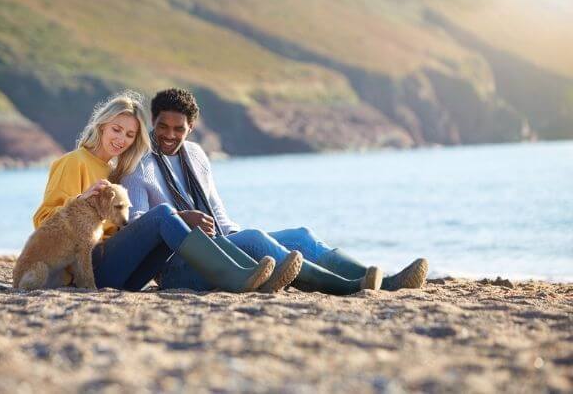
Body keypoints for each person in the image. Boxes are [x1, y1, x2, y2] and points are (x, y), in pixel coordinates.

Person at [122, 88, 426, 295]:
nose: (169, 135)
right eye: (163, 126)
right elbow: (135, 223)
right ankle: (351, 285)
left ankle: (384, 280)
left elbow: (220, 218)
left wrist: (241, 244)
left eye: (179, 129)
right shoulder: (139, 162)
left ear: (191, 128)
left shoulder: (197, 156)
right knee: (255, 239)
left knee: (300, 236)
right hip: (176, 268)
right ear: (153, 120)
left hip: (220, 249)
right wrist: (182, 219)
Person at [32, 90, 281, 293]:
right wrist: (81, 200)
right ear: (102, 125)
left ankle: (241, 271)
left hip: (126, 277)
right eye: (116, 129)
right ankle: (231, 273)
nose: (121, 139)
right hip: (87, 269)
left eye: (130, 135)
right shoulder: (74, 161)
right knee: (163, 213)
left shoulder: (115, 170)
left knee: (163, 224)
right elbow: (43, 222)